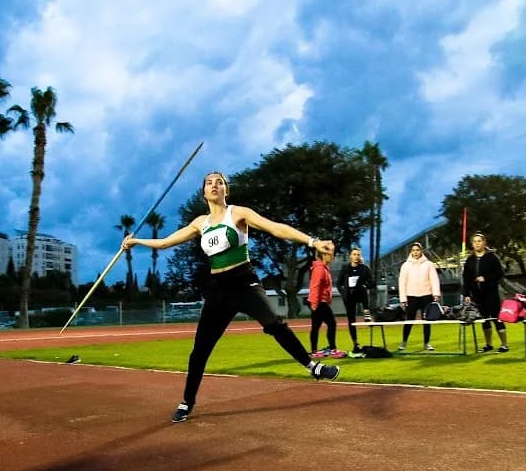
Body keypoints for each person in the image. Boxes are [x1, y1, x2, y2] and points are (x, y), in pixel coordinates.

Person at [122, 171, 341, 423]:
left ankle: (313, 367)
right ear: (204, 192)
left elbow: (275, 228)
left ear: (227, 190)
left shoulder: (238, 213)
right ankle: (186, 402)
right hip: (218, 289)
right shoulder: (199, 223)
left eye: (219, 182)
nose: (214, 185)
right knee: (200, 351)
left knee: (274, 323)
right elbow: (165, 243)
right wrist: (135, 241)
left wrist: (312, 241)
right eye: (209, 183)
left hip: (244, 281)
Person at [462, 233, 508, 353]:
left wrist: (485, 278)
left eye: (479, 241)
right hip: (477, 295)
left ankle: (504, 345)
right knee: (485, 320)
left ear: (484, 242)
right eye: (475, 241)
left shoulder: (492, 257)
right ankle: (488, 344)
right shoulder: (470, 260)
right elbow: (466, 278)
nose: (477, 243)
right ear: (472, 244)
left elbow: (499, 274)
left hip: (491, 293)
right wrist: (466, 294)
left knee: (496, 318)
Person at [398, 242, 441, 351]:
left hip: (426, 296)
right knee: (409, 320)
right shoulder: (405, 265)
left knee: (427, 321)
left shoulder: (429, 264)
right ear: (411, 252)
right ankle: (404, 342)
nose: (415, 252)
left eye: (417, 250)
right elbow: (402, 283)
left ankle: (427, 343)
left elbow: (434, 280)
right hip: (411, 297)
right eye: (413, 250)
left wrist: (435, 294)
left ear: (421, 251)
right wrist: (403, 298)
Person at [337, 247, 375, 356]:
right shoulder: (345, 268)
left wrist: (365, 285)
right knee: (351, 320)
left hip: (360, 293)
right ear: (350, 256)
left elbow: (372, 282)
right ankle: (355, 343)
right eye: (354, 254)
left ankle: (366, 313)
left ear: (360, 256)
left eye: (358, 254)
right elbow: (339, 284)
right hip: (349, 296)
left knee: (362, 289)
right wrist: (343, 293)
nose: (356, 256)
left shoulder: (364, 268)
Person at [307, 244, 342, 358]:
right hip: (319, 302)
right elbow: (315, 286)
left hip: (320, 302)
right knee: (332, 324)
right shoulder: (320, 269)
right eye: (330, 254)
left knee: (316, 327)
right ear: (323, 255)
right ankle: (332, 350)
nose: (332, 256)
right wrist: (314, 303)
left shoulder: (323, 268)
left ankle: (314, 352)